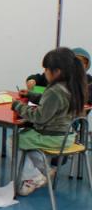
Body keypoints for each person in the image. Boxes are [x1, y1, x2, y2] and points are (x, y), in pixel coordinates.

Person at [13, 47, 88, 196]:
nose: (45, 72)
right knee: (28, 142)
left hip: (52, 138)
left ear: (57, 71)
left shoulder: (54, 90)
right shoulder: (73, 86)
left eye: (46, 69)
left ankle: (33, 177)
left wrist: (18, 106)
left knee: (14, 141)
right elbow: (51, 103)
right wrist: (31, 95)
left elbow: (39, 117)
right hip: (67, 137)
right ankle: (45, 170)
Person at [25, 47, 92, 103]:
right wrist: (32, 81)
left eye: (84, 62)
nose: (81, 65)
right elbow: (39, 79)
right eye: (77, 60)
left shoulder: (88, 80)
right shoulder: (58, 75)